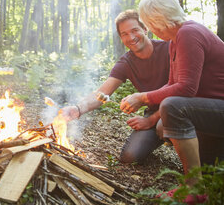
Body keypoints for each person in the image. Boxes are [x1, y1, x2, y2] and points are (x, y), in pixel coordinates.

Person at [121, 0, 224, 186]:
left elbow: (186, 88)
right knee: (212, 176)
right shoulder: (175, 41)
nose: (150, 29)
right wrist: (150, 114)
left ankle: (193, 187)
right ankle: (201, 180)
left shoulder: (189, 33)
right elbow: (172, 83)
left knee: (173, 107)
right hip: (211, 113)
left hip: (219, 110)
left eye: (149, 24)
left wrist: (143, 98)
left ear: (157, 20)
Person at [61, 10, 170, 163]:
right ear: (121, 38)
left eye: (135, 30)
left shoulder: (169, 49)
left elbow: (183, 91)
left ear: (145, 29)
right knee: (129, 157)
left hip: (177, 109)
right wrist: (77, 109)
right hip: (153, 114)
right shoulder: (126, 62)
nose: (131, 37)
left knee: (162, 125)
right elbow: (101, 94)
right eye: (124, 34)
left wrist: (151, 120)